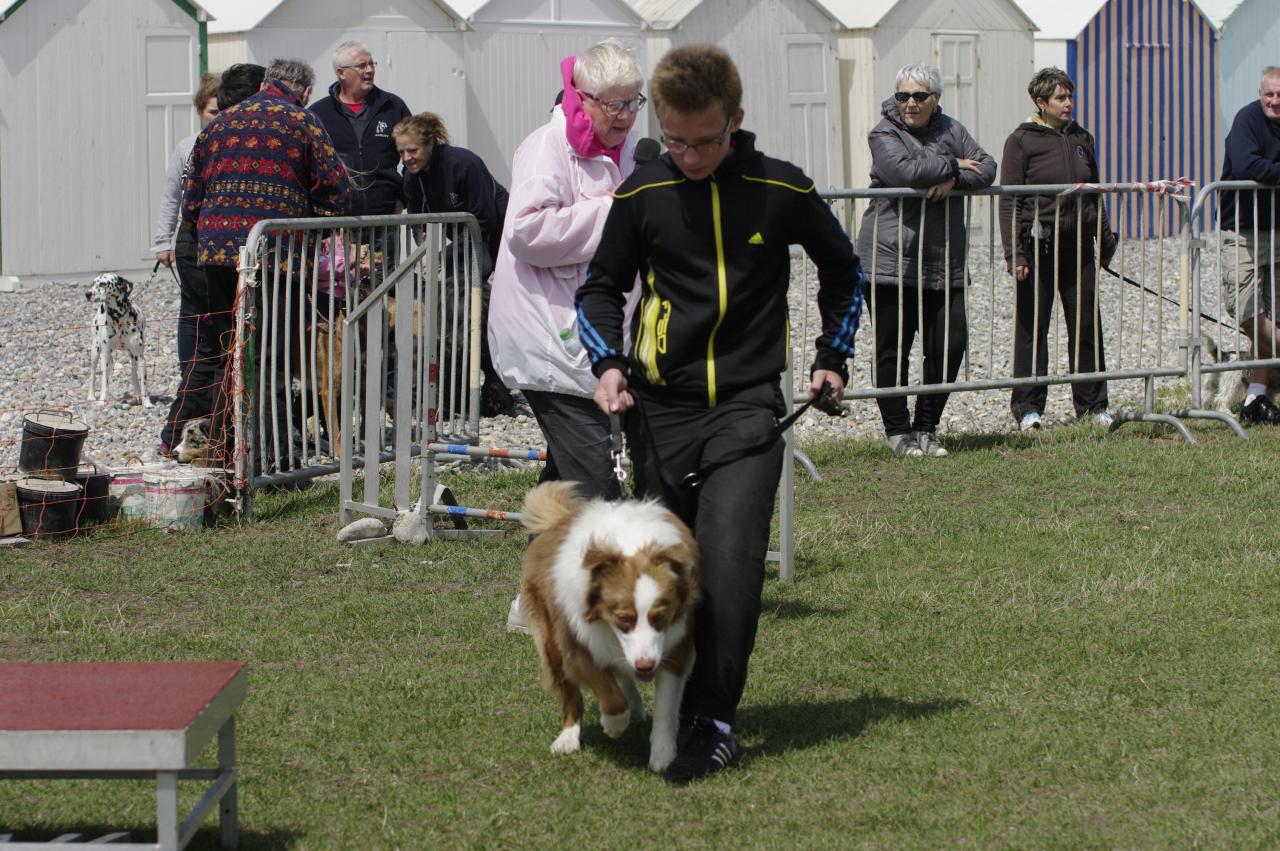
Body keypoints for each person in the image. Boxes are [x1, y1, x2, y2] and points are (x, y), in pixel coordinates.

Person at [576, 44, 865, 783]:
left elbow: (846, 270)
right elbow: (598, 290)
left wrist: (833, 352)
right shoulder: (641, 193)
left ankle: (714, 722)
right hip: (660, 416)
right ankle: (649, 702)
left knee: (730, 570)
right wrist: (609, 363)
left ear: (735, 120)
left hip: (746, 411)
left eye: (705, 140)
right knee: (662, 580)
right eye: (674, 139)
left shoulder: (780, 187)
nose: (690, 154)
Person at [488, 38, 647, 499]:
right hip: (548, 338)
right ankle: (615, 564)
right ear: (585, 98)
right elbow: (527, 232)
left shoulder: (636, 150)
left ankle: (547, 561)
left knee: (570, 477)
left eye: (633, 103)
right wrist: (616, 213)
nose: (625, 115)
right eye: (615, 104)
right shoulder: (546, 148)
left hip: (596, 339)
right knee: (601, 479)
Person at [177, 58, 350, 470]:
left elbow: (192, 197)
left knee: (230, 353)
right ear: (304, 91)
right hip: (276, 255)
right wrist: (319, 228)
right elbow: (336, 188)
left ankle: (226, 453)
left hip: (217, 255)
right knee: (270, 355)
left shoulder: (220, 122)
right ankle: (269, 460)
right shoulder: (302, 121)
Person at [857, 63, 995, 457]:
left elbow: (986, 166)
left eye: (919, 96)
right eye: (903, 96)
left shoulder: (952, 128)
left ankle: (927, 427)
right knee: (892, 348)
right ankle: (898, 431)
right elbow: (901, 171)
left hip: (943, 259)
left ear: (936, 98)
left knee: (950, 343)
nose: (910, 103)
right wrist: (953, 164)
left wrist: (952, 179)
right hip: (889, 260)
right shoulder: (884, 132)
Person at [999, 67, 1117, 431]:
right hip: (1038, 246)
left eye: (1070, 96)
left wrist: (1106, 237)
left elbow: (1094, 192)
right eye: (1060, 98)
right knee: (1032, 328)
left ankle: (1094, 407)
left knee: (1085, 327)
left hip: (1079, 246)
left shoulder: (1082, 137)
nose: (1068, 103)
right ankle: (1028, 408)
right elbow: (1009, 203)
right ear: (1041, 102)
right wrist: (1014, 253)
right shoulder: (1020, 141)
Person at [159, 63, 265, 457]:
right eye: (211, 111)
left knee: (220, 348)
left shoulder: (227, 136)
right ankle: (188, 439)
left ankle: (214, 440)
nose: (217, 117)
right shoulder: (201, 143)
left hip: (210, 245)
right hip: (205, 248)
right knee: (213, 347)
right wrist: (166, 239)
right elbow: (181, 198)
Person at [395, 112, 514, 416]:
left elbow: (482, 220)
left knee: (468, 300)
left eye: (412, 151)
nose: (407, 158)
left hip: (495, 234)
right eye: (401, 152)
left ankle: (495, 380)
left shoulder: (465, 164)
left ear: (430, 144)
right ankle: (452, 388)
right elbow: (418, 219)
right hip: (460, 237)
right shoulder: (411, 175)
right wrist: (424, 248)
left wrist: (444, 257)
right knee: (447, 301)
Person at [1218, 66, 1280, 425]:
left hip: (1277, 232)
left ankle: (1255, 399)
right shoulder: (1246, 120)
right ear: (1260, 93)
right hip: (1242, 231)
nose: (1273, 101)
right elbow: (1246, 164)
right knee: (1246, 311)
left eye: (1279, 95)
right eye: (1268, 94)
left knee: (1273, 315)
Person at [310, 41, 410, 218]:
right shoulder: (318, 113)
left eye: (371, 64)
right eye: (362, 65)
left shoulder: (393, 106)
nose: (370, 70)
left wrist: (403, 197)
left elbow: (415, 154)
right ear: (341, 73)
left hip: (384, 218)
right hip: (336, 222)